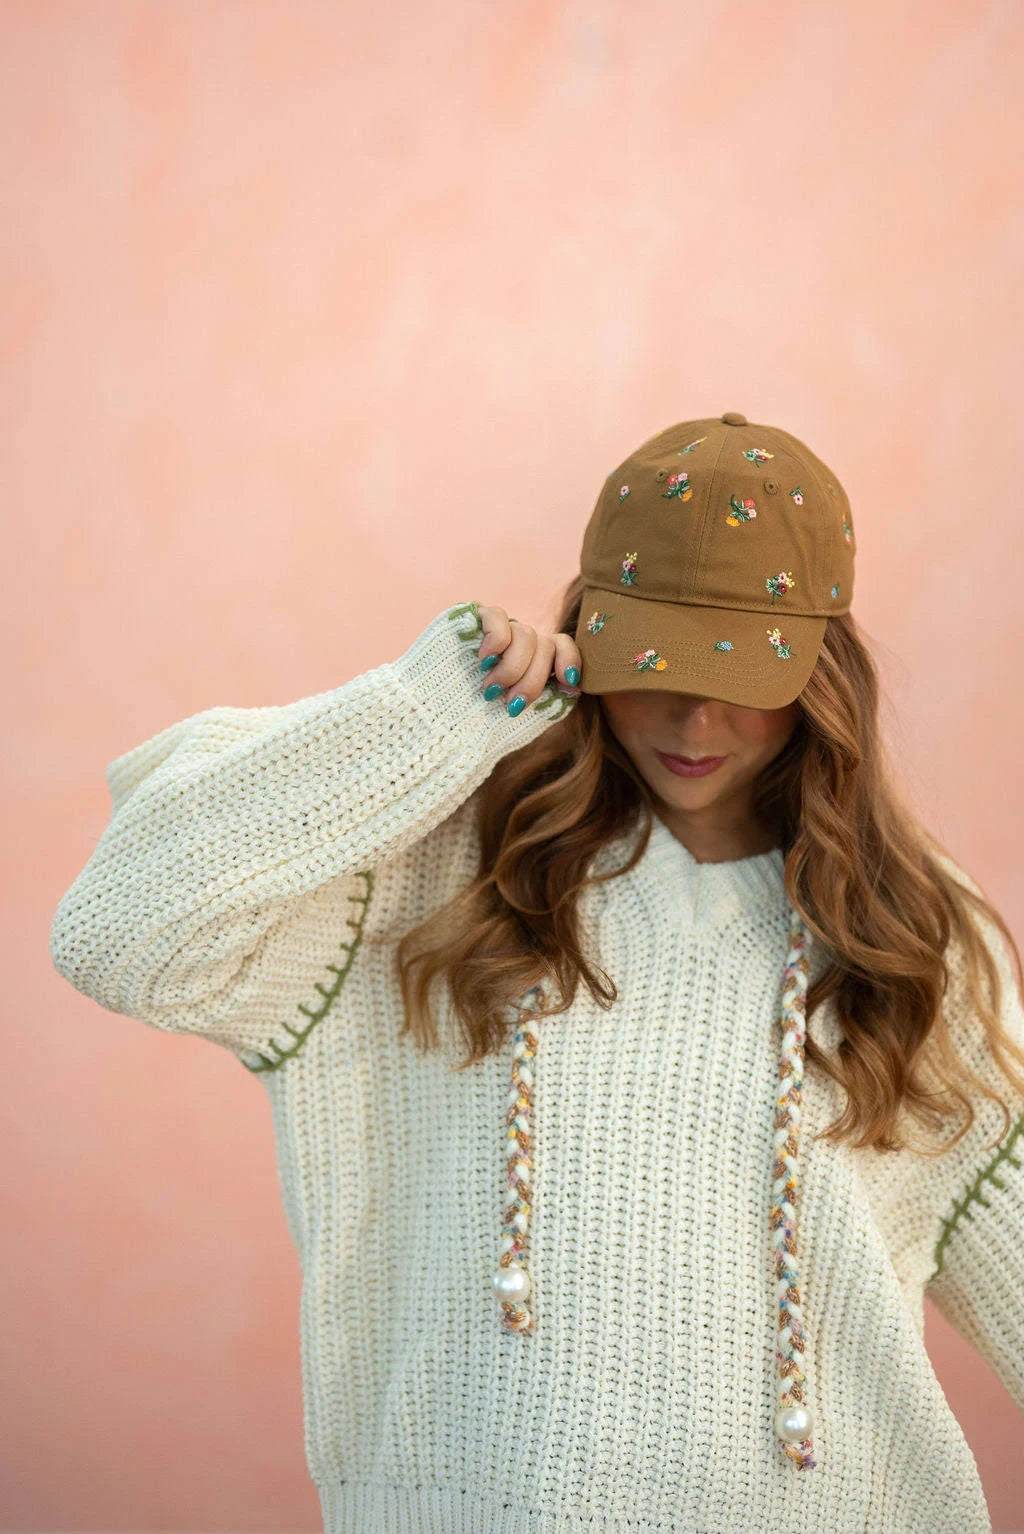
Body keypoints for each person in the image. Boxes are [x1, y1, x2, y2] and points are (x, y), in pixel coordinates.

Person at [50, 412, 1024, 1532]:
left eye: (741, 673)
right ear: (587, 635)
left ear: (824, 671)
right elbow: (118, 931)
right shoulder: (427, 868)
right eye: (653, 663)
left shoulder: (912, 936)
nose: (693, 715)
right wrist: (436, 706)